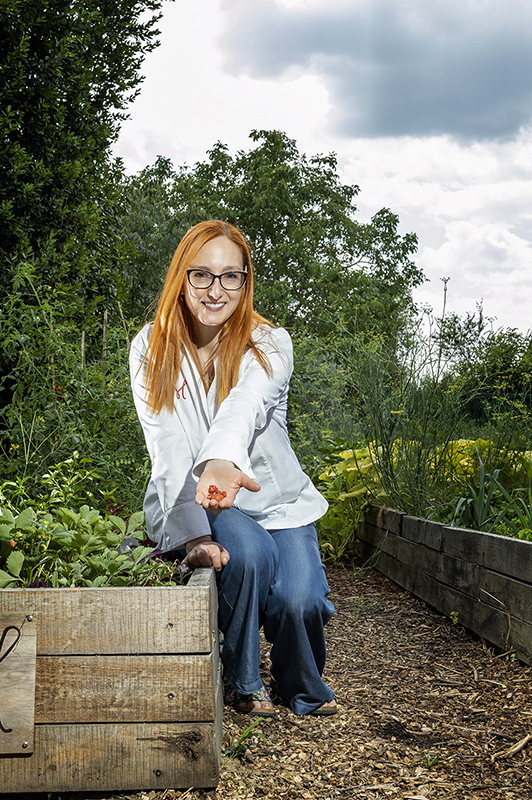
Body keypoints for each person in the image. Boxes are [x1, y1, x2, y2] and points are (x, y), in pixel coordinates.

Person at [129, 220, 337, 717]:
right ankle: (242, 680)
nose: (215, 290)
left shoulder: (269, 343)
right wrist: (193, 534)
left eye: (230, 277)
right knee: (244, 553)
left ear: (246, 282)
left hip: (275, 500)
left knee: (299, 602)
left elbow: (246, 402)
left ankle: (302, 684)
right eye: (201, 275)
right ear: (181, 278)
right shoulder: (150, 348)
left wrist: (223, 458)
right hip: (208, 496)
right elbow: (167, 447)